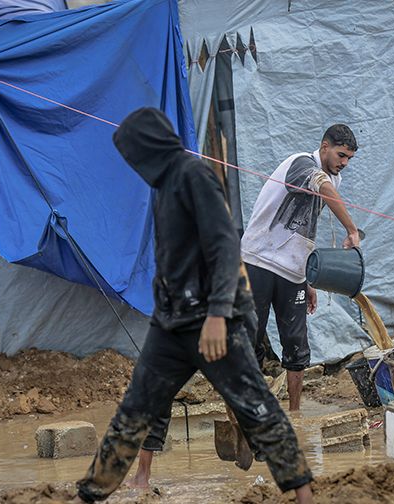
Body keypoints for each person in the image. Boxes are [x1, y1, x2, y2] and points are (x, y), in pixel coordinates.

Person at [75, 107, 313, 503]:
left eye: (133, 155)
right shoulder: (163, 185)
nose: (132, 165)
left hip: (213, 320)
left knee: (255, 405)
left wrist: (220, 314)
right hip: (171, 323)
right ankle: (90, 494)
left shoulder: (193, 175)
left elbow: (222, 246)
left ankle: (304, 493)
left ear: (149, 148)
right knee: (135, 408)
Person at [241, 124, 361, 411]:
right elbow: (320, 184)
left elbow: (307, 228)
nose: (344, 163)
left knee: (296, 344)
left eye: (349, 159)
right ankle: (247, 411)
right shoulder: (300, 164)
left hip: (292, 272)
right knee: (249, 337)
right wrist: (351, 229)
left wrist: (306, 278)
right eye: (341, 155)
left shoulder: (335, 180)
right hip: (257, 260)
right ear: (324, 147)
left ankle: (295, 415)